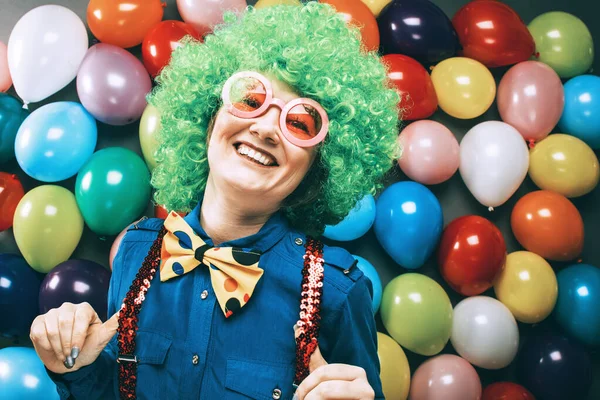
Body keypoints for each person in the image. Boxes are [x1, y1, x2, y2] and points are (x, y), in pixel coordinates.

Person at [30, 2, 401, 399]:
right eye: (250, 99)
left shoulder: (335, 292)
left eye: (299, 122)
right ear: (210, 120)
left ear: (316, 170)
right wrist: (75, 370)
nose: (265, 128)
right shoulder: (136, 251)